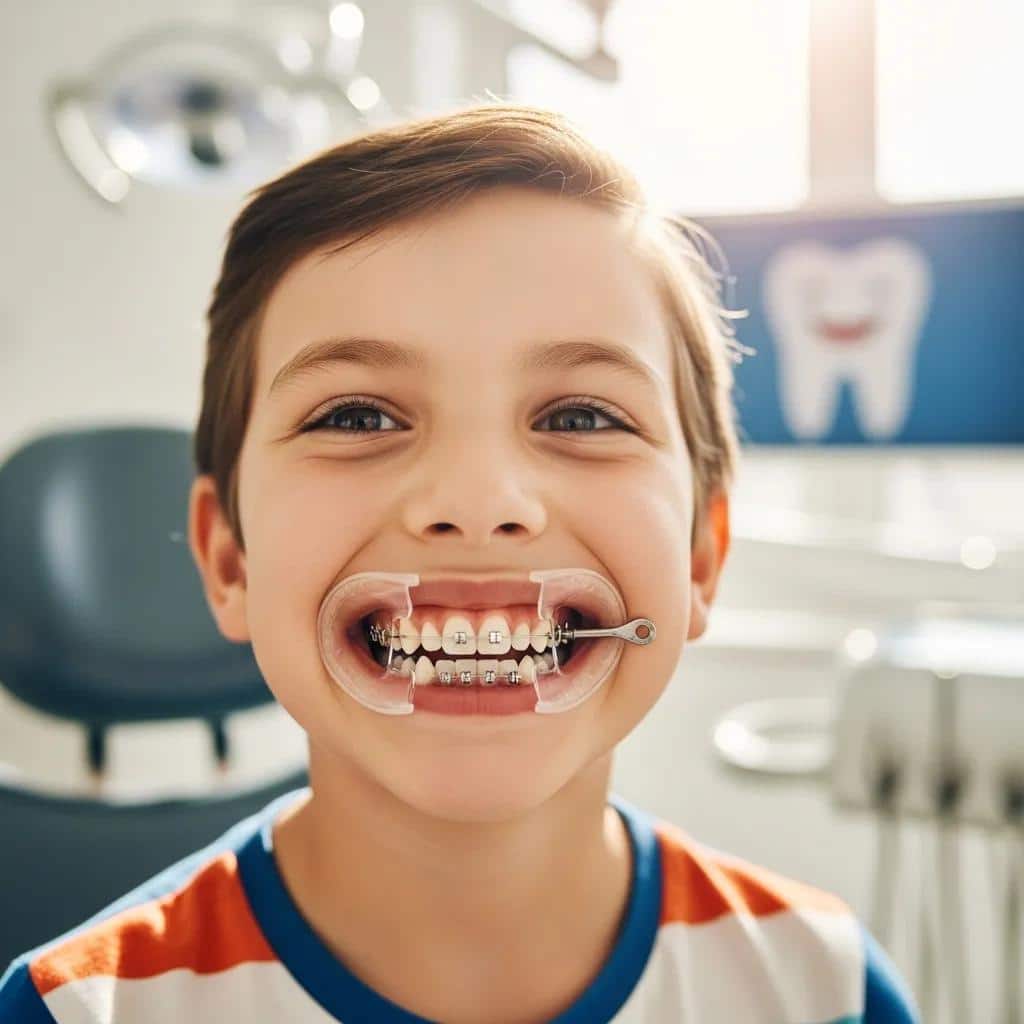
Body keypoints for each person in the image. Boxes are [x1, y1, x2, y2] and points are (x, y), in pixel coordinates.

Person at [0, 102, 919, 1023]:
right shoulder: (75, 1012)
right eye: (356, 417)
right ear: (229, 561)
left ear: (699, 561)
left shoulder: (823, 990)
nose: (477, 503)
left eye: (582, 418)